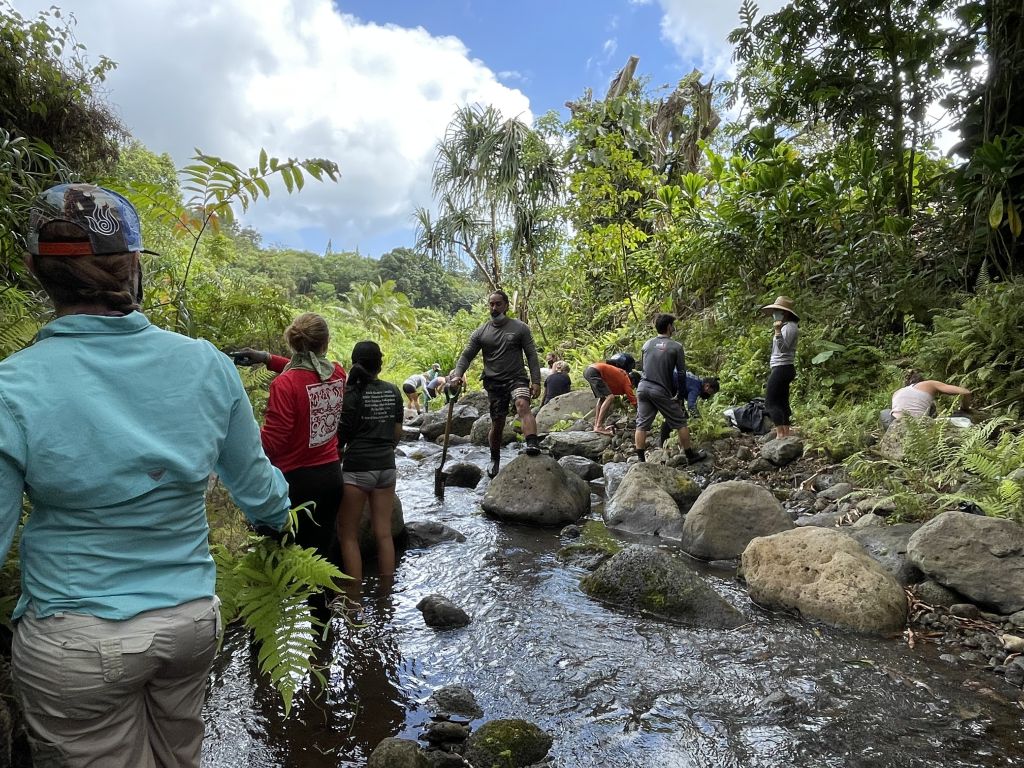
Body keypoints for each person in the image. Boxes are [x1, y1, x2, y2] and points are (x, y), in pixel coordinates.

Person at [0, 183, 290, 767]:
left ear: (34, 270)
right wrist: (277, 522)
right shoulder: (207, 365)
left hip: (75, 641)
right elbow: (260, 490)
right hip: (188, 627)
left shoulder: (13, 387)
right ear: (133, 265)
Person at [257, 313, 346, 561]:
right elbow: (309, 370)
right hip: (330, 477)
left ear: (293, 342)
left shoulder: (284, 384)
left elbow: (273, 443)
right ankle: (325, 601)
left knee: (284, 561)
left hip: (294, 483)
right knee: (320, 559)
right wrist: (267, 359)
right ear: (326, 342)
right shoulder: (337, 374)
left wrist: (246, 436)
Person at [448, 290, 542, 478]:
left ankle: (532, 443)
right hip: (494, 382)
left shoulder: (520, 328)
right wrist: (457, 375)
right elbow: (467, 356)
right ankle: (495, 458)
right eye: (491, 304)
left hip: (517, 378)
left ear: (506, 305)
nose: (494, 307)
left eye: (498, 304)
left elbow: (531, 354)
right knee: (497, 423)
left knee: (522, 404)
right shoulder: (481, 332)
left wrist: (536, 381)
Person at [336, 341, 404, 584]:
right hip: (387, 467)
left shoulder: (352, 394)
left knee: (348, 536)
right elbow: (397, 433)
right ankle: (387, 594)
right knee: (384, 534)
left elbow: (340, 438)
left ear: (354, 363)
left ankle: (354, 597)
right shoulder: (393, 391)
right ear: (380, 365)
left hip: (358, 469)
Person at [633, 313, 708, 464]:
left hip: (642, 387)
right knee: (680, 421)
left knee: (641, 424)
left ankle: (640, 460)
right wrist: (679, 394)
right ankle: (690, 455)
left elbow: (643, 367)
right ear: (669, 327)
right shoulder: (676, 347)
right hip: (659, 389)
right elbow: (681, 373)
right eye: (673, 326)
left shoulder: (647, 344)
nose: (674, 328)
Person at [762, 295, 800, 439]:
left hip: (782, 367)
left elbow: (783, 348)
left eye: (777, 311)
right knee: (782, 400)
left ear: (785, 313)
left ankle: (780, 434)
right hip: (782, 367)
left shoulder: (789, 328)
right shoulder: (786, 326)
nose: (774, 314)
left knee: (770, 402)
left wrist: (777, 332)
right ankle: (785, 431)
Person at [659, 372, 720, 445]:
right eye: (711, 392)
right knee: (671, 415)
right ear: (707, 386)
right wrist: (699, 420)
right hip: (664, 385)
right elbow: (691, 406)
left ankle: (678, 439)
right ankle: (663, 444)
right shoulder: (696, 387)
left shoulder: (696, 381)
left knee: (684, 416)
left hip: (671, 386)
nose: (710, 395)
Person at [583, 358, 638, 435]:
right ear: (633, 381)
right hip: (595, 372)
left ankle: (597, 425)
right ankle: (599, 426)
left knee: (602, 398)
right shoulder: (626, 380)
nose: (632, 388)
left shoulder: (620, 376)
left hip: (589, 370)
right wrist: (640, 412)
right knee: (610, 397)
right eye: (634, 386)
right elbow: (633, 400)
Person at [889, 372, 972, 422]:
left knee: (885, 412)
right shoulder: (929, 384)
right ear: (923, 381)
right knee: (932, 406)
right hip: (919, 426)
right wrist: (964, 409)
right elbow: (965, 392)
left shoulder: (897, 392)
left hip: (895, 425)